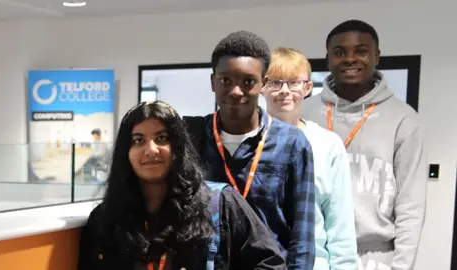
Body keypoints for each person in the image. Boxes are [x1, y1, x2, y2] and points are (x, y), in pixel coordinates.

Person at [77, 101, 286, 270]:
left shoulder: (219, 203)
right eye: (138, 141)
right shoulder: (105, 219)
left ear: (178, 148)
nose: (151, 149)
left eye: (162, 138)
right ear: (126, 153)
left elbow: (271, 264)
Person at [184, 30, 315, 269]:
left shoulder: (292, 143)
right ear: (213, 82)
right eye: (226, 81)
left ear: (263, 83)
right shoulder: (192, 137)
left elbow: (302, 235)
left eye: (248, 81)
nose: (236, 91)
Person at [301, 20, 427, 270]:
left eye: (360, 51)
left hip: (375, 258)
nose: (350, 59)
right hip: (313, 254)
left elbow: (411, 206)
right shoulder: (304, 112)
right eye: (339, 53)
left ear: (377, 56)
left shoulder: (404, 119)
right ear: (328, 60)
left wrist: (401, 267)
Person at [262, 47, 358, 270]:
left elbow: (340, 227)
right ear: (262, 87)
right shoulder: (249, 142)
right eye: (275, 82)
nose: (284, 90)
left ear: (307, 88)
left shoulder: (328, 145)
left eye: (294, 82)